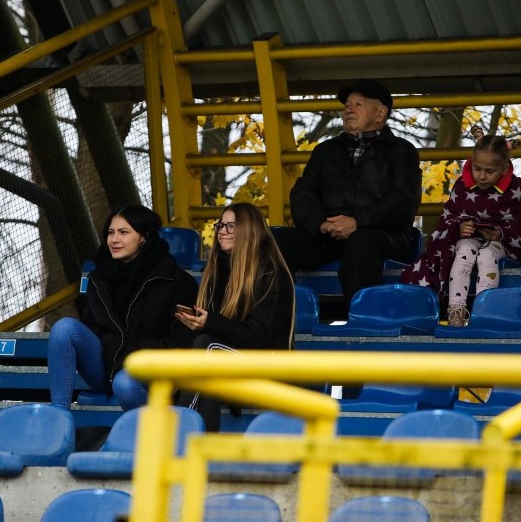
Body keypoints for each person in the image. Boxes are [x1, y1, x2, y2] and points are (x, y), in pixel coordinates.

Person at [273, 79, 422, 303]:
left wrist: (357, 222)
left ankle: (361, 325)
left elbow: (403, 203)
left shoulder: (402, 151)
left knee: (362, 242)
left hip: (384, 235)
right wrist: (321, 224)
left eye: (358, 104)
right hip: (330, 234)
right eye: (347, 105)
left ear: (380, 113)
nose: (349, 109)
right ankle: (279, 314)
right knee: (270, 239)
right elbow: (302, 193)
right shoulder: (325, 151)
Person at [47, 205, 198, 410]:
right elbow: (92, 328)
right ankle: (58, 416)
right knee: (64, 328)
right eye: (110, 232)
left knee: (124, 382)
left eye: (123, 232)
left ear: (143, 237)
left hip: (151, 371)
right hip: (109, 367)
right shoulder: (98, 278)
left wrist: (133, 355)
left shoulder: (176, 281)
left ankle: (147, 437)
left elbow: (181, 341)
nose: (114, 239)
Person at [175, 202, 295, 431]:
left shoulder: (272, 274)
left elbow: (257, 338)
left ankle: (180, 431)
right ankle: (203, 450)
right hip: (226, 360)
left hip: (267, 364)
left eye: (231, 226)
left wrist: (209, 322)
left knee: (206, 347)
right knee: (209, 366)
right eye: (221, 225)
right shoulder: (215, 271)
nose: (222, 231)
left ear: (250, 231)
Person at [400, 130, 521, 325]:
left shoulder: (515, 189)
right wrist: (459, 228)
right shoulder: (461, 186)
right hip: (468, 240)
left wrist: (501, 233)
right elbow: (449, 217)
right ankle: (455, 311)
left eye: (490, 171)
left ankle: (485, 311)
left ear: (504, 168)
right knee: (464, 250)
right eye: (477, 168)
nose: (481, 176)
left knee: (486, 255)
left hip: (502, 245)